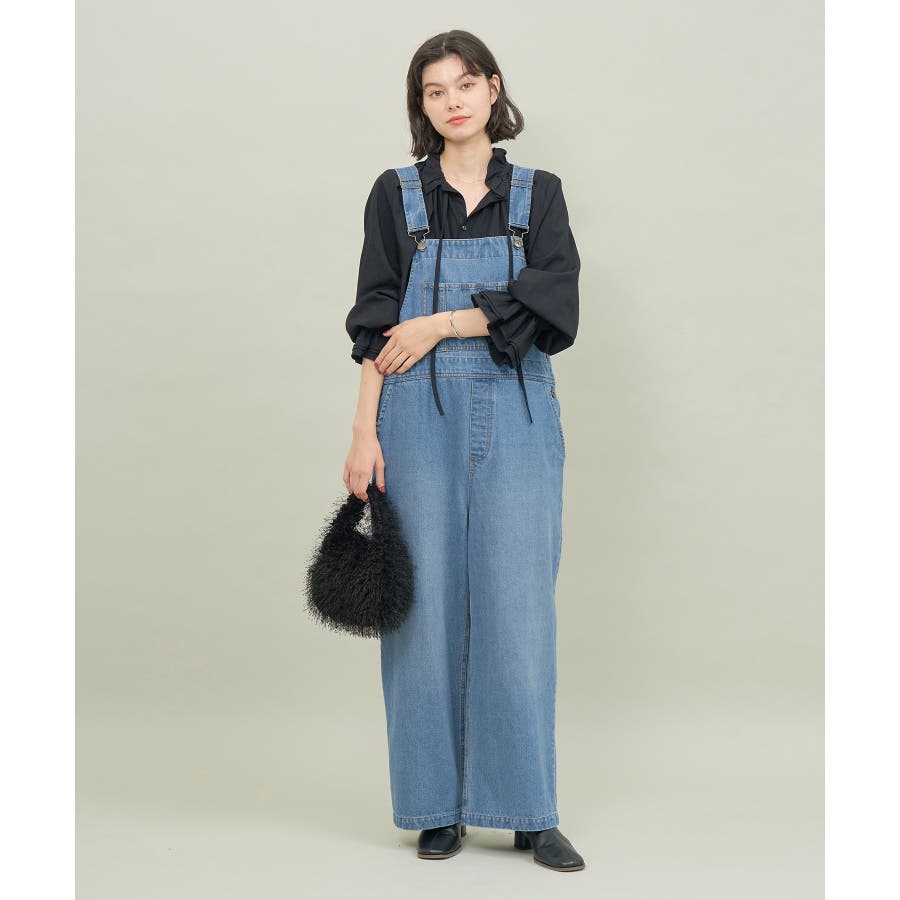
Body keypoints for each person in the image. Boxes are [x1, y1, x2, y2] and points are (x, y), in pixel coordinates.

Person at [343, 30, 585, 873]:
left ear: (493, 89)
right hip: (412, 415)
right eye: (434, 90)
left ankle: (528, 811)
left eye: (465, 84)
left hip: (517, 412)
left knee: (520, 610)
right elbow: (376, 320)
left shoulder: (539, 196)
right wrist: (363, 433)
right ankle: (435, 806)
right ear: (422, 104)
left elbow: (553, 306)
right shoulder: (395, 195)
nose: (452, 101)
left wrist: (444, 322)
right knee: (422, 610)